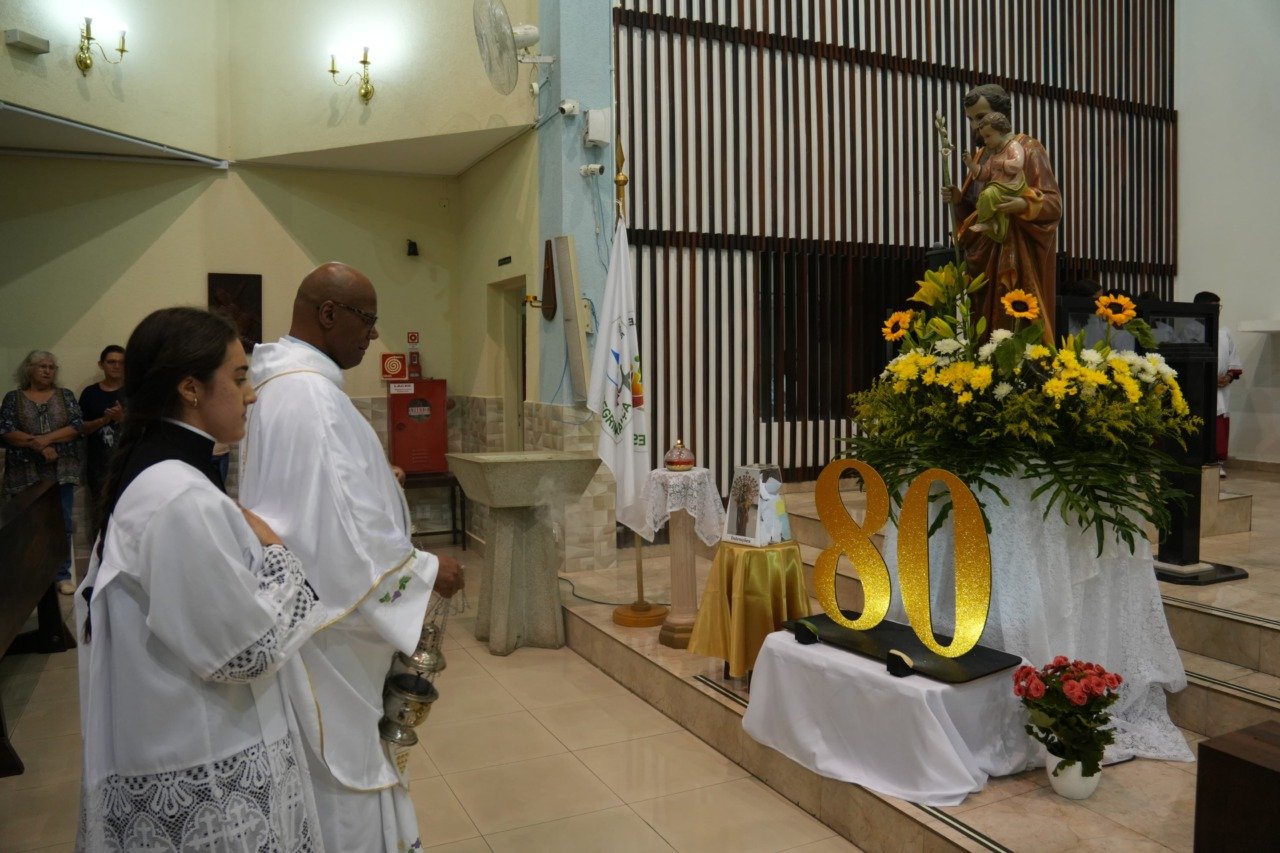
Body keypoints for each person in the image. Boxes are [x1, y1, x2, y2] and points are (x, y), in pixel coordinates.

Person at [76, 308, 329, 850]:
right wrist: (281, 556)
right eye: (238, 378)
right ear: (190, 388)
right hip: (206, 762)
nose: (252, 394)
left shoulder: (161, 473)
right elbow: (245, 652)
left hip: (182, 739)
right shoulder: (178, 497)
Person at [239, 262, 464, 853]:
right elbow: (341, 534)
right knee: (345, 778)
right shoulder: (310, 397)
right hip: (330, 635)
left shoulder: (283, 387)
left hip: (308, 619)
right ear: (329, 313)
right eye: (366, 320)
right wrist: (427, 571)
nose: (372, 335)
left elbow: (321, 501)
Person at [941, 83, 1062, 340]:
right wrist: (959, 199)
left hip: (1015, 251)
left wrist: (1024, 205)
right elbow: (975, 208)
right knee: (983, 324)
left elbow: (1053, 204)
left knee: (1013, 322)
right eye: (971, 119)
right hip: (982, 254)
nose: (975, 126)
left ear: (1001, 115)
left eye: (981, 117)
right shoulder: (983, 154)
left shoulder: (1028, 149)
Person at [1, 350, 84, 594]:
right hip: (24, 472)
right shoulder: (13, 398)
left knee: (62, 522)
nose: (47, 370)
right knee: (27, 524)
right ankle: (29, 577)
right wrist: (39, 445)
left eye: (51, 367)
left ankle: (61, 575)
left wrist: (44, 441)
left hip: (61, 469)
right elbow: (5, 430)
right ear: (28, 369)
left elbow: (77, 426)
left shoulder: (65, 395)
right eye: (41, 366)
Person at [1194, 291, 1242, 477]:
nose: (1217, 310)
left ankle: (1217, 462)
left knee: (1219, 423)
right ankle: (1199, 460)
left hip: (1221, 388)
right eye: (1214, 306)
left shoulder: (1224, 332)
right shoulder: (1189, 331)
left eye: (1218, 306)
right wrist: (1207, 378)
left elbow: (1233, 358)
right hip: (1199, 386)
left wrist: (1228, 376)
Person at [78, 345, 125, 531]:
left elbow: (146, 427)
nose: (116, 366)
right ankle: (103, 556)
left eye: (121, 362)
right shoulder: (90, 393)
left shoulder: (134, 392)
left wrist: (122, 419)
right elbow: (80, 429)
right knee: (102, 515)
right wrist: (104, 420)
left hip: (129, 462)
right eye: (111, 362)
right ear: (101, 364)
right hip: (99, 465)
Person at [967, 112, 1026, 243]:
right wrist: (970, 164)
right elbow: (984, 174)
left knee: (988, 194)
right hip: (998, 187)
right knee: (984, 198)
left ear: (1000, 131)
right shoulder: (994, 154)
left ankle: (986, 222)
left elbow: (1018, 163)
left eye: (988, 136)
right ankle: (993, 223)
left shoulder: (1013, 146)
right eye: (984, 138)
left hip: (1012, 186)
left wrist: (1002, 163)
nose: (986, 141)